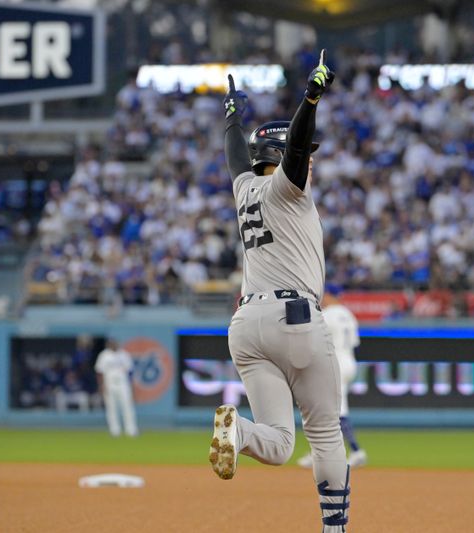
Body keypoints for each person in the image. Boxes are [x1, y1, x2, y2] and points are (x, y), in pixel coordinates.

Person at [209, 50, 350, 532]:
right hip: (295, 319)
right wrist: (310, 97)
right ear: (284, 156)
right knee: (325, 433)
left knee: (276, 441)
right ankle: (335, 528)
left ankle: (238, 430)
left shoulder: (244, 188)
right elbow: (295, 148)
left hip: (246, 327)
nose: (309, 162)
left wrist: (232, 117)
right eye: (305, 156)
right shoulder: (286, 189)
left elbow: (235, 158)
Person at [298, 290, 367, 469]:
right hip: (349, 362)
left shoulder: (326, 315)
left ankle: (356, 450)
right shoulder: (348, 314)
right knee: (326, 408)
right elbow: (354, 344)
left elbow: (314, 341)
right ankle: (319, 453)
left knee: (334, 410)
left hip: (334, 363)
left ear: (329, 296)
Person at [95, 339, 138, 437]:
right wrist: (101, 385)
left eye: (115, 343)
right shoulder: (104, 355)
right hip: (109, 383)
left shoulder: (124, 354)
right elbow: (99, 372)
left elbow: (130, 371)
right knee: (111, 408)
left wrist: (132, 386)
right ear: (109, 345)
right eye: (112, 343)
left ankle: (131, 430)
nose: (114, 345)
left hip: (123, 383)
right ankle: (114, 430)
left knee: (127, 406)